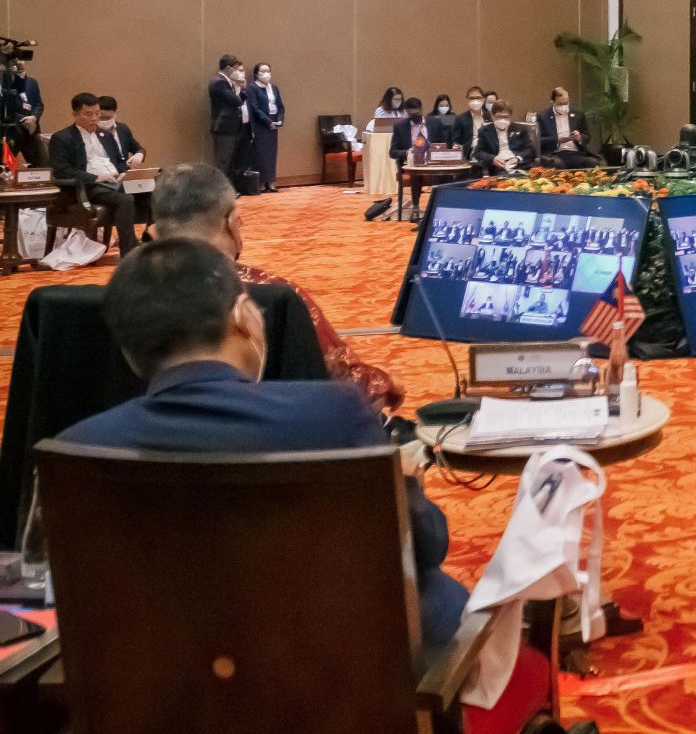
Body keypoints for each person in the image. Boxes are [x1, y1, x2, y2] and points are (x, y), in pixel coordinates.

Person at [59, 239, 464, 638]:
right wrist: (406, 485)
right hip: (332, 661)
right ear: (242, 316)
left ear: (128, 350)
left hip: (163, 667)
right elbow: (425, 545)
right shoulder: (333, 412)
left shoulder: (78, 446)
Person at [151, 164, 401, 410]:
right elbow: (344, 383)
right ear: (233, 223)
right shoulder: (278, 296)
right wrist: (385, 384)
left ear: (155, 232)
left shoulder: (135, 294)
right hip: (267, 430)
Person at [48, 92, 139, 257]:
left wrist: (124, 173)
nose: (95, 119)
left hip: (113, 182)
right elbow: (62, 170)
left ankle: (149, 241)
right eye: (89, 114)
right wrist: (95, 178)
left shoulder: (106, 135)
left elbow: (119, 161)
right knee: (125, 199)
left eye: (97, 114)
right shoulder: (62, 138)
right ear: (75, 115)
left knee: (148, 192)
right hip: (86, 187)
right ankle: (129, 253)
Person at [96, 95, 151, 240]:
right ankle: (129, 242)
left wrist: (139, 155)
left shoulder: (123, 129)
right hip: (108, 180)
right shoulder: (92, 133)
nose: (104, 121)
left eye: (108, 117)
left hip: (126, 176)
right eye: (101, 117)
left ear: (116, 113)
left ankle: (150, 234)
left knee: (153, 188)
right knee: (126, 197)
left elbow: (138, 147)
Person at [208, 54, 250, 185]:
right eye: (237, 69)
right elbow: (236, 101)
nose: (239, 73)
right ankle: (219, 189)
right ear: (228, 69)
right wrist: (239, 87)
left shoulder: (228, 82)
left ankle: (230, 188)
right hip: (223, 128)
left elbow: (241, 98)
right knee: (223, 161)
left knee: (231, 161)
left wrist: (240, 88)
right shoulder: (219, 82)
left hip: (233, 127)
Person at [245, 62, 284, 193]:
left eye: (268, 71)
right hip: (260, 125)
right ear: (257, 74)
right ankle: (261, 183)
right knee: (260, 154)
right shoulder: (252, 88)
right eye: (263, 71)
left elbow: (280, 106)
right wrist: (268, 121)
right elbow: (254, 108)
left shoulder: (274, 88)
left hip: (273, 125)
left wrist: (280, 119)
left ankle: (271, 182)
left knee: (271, 154)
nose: (266, 74)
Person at [537, 88, 596, 168]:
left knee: (592, 163)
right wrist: (557, 140)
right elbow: (538, 140)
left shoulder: (578, 114)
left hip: (575, 153)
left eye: (566, 103)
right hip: (554, 154)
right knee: (557, 164)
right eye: (560, 104)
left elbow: (587, 136)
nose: (563, 106)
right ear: (553, 102)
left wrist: (579, 138)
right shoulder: (543, 116)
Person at [5, 59, 45, 165]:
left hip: (31, 129)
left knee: (41, 164)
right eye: (16, 61)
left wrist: (34, 117)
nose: (20, 63)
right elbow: (9, 105)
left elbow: (38, 104)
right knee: (6, 166)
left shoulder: (32, 82)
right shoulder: (5, 83)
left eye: (22, 61)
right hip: (12, 131)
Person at [477, 102, 533, 175]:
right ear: (492, 116)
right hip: (499, 167)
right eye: (499, 117)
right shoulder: (484, 131)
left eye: (506, 117)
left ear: (510, 117)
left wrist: (518, 158)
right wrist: (492, 159)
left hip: (521, 165)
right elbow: (478, 152)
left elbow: (530, 149)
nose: (502, 120)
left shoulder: (521, 129)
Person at [453, 87, 490, 161]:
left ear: (483, 99)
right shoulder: (460, 118)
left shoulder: (490, 117)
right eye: (472, 98)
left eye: (478, 98)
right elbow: (456, 142)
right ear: (467, 100)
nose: (475, 101)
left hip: (488, 152)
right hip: (470, 154)